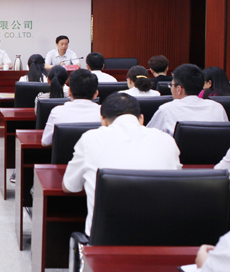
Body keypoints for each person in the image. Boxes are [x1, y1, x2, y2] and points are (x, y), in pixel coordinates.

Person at [62, 93, 181, 236]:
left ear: (103, 120)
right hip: (161, 238)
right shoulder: (167, 140)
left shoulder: (90, 139)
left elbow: (70, 187)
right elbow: (176, 184)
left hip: (104, 241)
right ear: (141, 119)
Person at [147, 64, 228, 135]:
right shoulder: (217, 108)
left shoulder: (166, 110)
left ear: (179, 89)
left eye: (171, 85)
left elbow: (149, 137)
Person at [41, 69, 101, 147]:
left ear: (69, 91)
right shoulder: (104, 114)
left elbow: (45, 142)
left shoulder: (57, 112)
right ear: (96, 94)